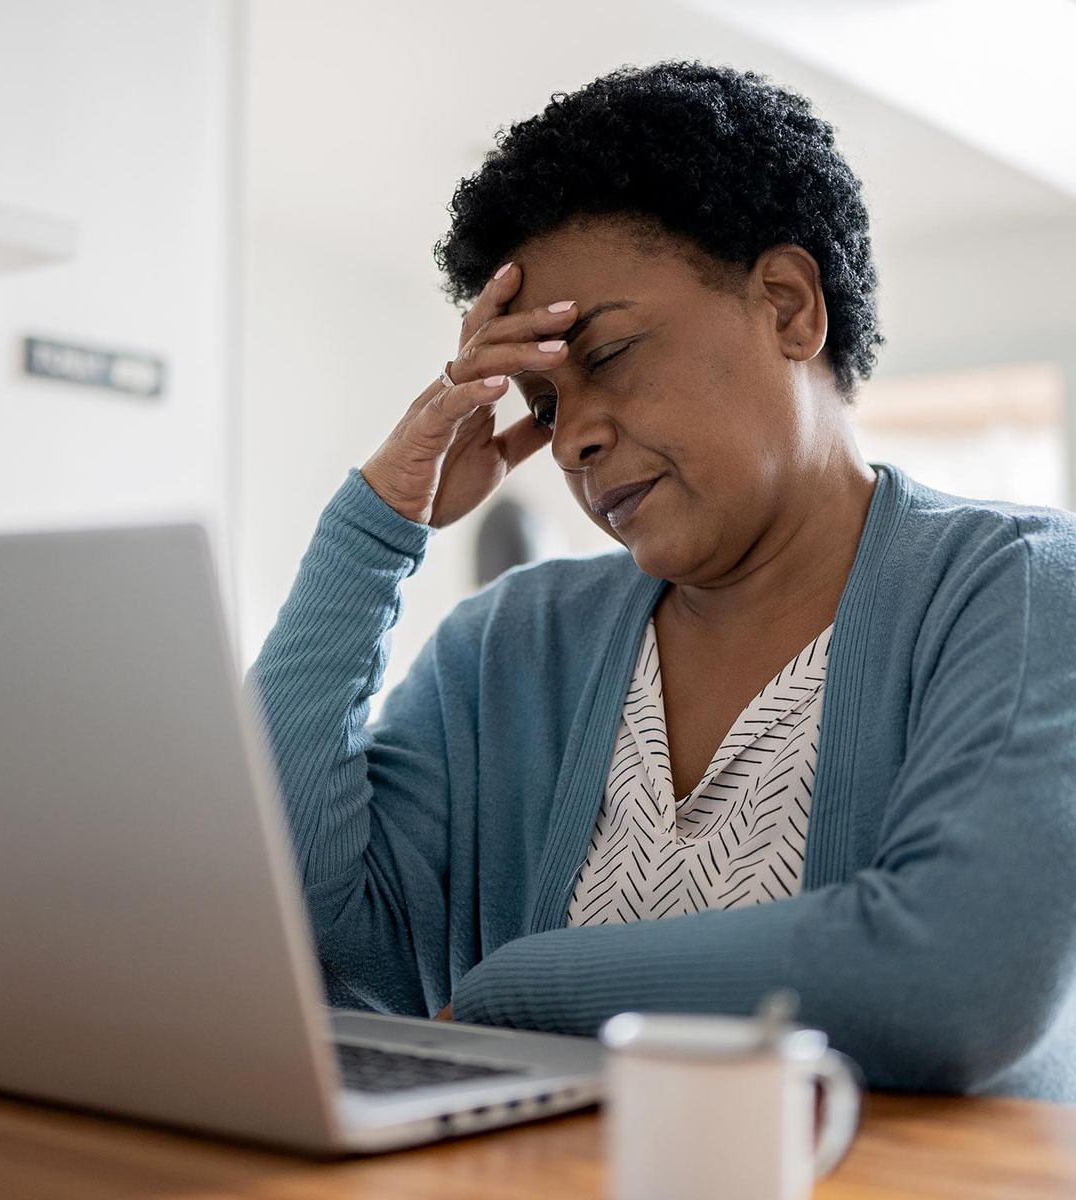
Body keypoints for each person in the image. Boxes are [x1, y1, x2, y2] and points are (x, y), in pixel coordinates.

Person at [247, 61, 1076, 1101]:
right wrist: (375, 527)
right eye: (543, 405)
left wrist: (516, 988)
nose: (572, 440)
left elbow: (956, 977)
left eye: (612, 352)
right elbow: (303, 941)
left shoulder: (1017, 587)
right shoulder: (512, 645)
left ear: (787, 307)